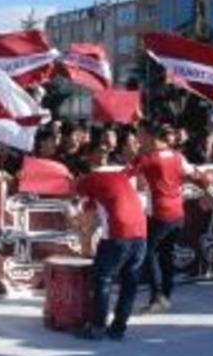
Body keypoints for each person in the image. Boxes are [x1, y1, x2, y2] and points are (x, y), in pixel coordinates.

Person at [74, 152, 146, 341]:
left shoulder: (87, 181)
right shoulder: (118, 175)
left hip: (117, 235)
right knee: (129, 283)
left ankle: (97, 327)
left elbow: (89, 218)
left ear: (79, 174)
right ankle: (118, 328)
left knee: (102, 280)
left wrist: (85, 244)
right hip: (141, 233)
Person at [129, 122, 200, 313]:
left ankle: (158, 297)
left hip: (159, 214)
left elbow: (123, 175)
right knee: (166, 254)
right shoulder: (177, 155)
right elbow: (195, 174)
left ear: (149, 136)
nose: (137, 139)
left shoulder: (146, 158)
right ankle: (165, 295)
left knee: (150, 253)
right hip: (177, 214)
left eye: (139, 135)